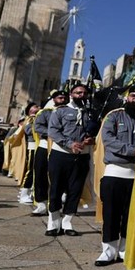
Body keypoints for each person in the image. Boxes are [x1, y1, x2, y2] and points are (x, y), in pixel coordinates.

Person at [95, 85, 135, 267]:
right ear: (127, 97)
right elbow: (109, 140)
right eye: (133, 96)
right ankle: (108, 251)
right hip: (114, 172)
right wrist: (133, 150)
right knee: (111, 214)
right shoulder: (114, 116)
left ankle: (125, 250)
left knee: (131, 216)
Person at [47, 84, 95, 237]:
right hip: (61, 154)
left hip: (81, 156)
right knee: (56, 189)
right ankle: (53, 222)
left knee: (75, 190)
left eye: (84, 93)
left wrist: (91, 139)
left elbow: (97, 132)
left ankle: (67, 221)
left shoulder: (91, 113)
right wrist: (69, 143)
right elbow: (53, 131)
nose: (81, 95)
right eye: (78, 92)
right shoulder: (60, 111)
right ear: (71, 94)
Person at [32, 90, 69, 216]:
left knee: (58, 177)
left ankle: (56, 204)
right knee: (40, 175)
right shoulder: (45, 112)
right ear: (53, 99)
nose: (62, 100)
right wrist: (54, 134)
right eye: (60, 97)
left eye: (64, 97)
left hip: (61, 148)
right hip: (44, 146)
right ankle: (41, 204)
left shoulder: (70, 112)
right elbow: (38, 127)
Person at [18, 103, 40, 205]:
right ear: (30, 109)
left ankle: (30, 192)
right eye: (35, 106)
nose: (38, 108)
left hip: (38, 145)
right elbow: (28, 130)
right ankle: (24, 194)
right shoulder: (30, 119)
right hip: (32, 146)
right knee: (30, 170)